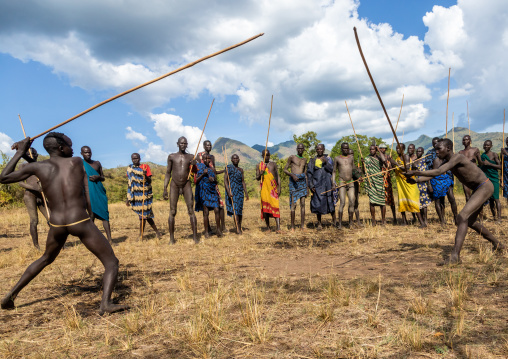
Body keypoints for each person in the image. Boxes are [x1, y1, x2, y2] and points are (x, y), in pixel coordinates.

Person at [0, 134, 127, 314]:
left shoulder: (38, 167)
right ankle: (105, 304)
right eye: (69, 145)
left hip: (57, 224)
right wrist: (24, 152)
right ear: (61, 148)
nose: (73, 149)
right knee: (111, 262)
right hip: (79, 221)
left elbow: (3, 177)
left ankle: (10, 296)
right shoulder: (75, 162)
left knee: (46, 258)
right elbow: (61, 165)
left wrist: (20, 152)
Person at [406, 138, 505, 265]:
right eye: (435, 149)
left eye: (439, 149)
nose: (436, 152)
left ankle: (455, 257)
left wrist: (415, 172)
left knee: (462, 217)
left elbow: (438, 171)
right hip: (479, 188)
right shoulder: (448, 161)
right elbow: (434, 174)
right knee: (471, 222)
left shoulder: (457, 157)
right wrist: (416, 180)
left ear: (448, 148)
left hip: (485, 186)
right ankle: (498, 244)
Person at [163, 137, 198, 244]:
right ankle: (171, 239)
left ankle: (195, 237)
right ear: (177, 144)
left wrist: (194, 165)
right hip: (174, 185)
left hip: (186, 184)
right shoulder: (172, 156)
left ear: (187, 145)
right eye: (181, 143)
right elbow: (168, 172)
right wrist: (165, 187)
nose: (183, 145)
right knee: (172, 211)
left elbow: (195, 171)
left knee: (191, 210)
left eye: (185, 143)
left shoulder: (191, 157)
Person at [17, 148, 50, 249]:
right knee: (34, 220)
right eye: (28, 154)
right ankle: (36, 245)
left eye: (34, 153)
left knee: (52, 219)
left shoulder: (42, 165)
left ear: (37, 154)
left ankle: (58, 243)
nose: (32, 155)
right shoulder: (22, 166)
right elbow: (20, 182)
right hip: (30, 196)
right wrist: (34, 188)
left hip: (42, 195)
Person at [387, 144, 426, 227]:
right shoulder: (397, 159)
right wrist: (391, 163)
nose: (398, 150)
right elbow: (395, 171)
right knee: (401, 201)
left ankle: (422, 223)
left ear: (403, 149)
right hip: (400, 183)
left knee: (413, 202)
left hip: (409, 182)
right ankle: (404, 221)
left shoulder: (406, 157)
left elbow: (407, 168)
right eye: (397, 148)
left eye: (399, 149)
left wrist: (396, 164)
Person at [126, 153, 162, 240]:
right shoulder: (130, 168)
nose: (135, 160)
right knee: (146, 215)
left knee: (143, 216)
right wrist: (128, 198)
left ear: (140, 158)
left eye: (136, 158)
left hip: (145, 194)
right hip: (135, 195)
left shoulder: (145, 167)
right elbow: (130, 183)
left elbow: (149, 181)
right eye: (133, 158)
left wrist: (145, 174)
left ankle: (140, 236)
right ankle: (157, 232)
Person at [81, 146, 112, 244]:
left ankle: (110, 240)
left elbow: (103, 177)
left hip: (99, 191)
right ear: (81, 153)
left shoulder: (97, 163)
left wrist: (98, 177)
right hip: (88, 192)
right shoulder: (80, 165)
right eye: (85, 152)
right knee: (91, 215)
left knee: (105, 214)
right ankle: (91, 240)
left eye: (89, 152)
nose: (88, 154)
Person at [426, 137, 458, 224]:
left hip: (446, 179)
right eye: (434, 144)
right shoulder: (429, 154)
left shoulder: (446, 155)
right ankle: (442, 221)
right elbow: (428, 170)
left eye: (438, 144)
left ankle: (456, 218)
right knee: (438, 201)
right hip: (435, 180)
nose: (436, 145)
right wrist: (429, 184)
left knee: (452, 199)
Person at [196, 140, 225, 231]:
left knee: (220, 205)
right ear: (204, 146)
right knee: (205, 208)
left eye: (210, 145)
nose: (209, 146)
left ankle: (221, 227)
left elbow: (214, 170)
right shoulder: (199, 155)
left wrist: (218, 175)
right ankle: (207, 228)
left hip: (213, 184)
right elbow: (197, 169)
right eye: (207, 145)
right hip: (203, 184)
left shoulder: (212, 157)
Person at [307, 144, 337, 229]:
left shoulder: (329, 159)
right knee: (317, 203)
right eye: (318, 149)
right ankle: (319, 224)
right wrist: (311, 185)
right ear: (316, 150)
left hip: (328, 184)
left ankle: (335, 222)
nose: (319, 150)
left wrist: (326, 162)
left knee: (330, 202)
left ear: (324, 149)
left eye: (321, 149)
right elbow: (309, 173)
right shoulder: (312, 160)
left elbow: (332, 170)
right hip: (317, 184)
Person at [283, 144, 308, 231]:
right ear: (297, 149)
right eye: (299, 148)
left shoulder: (304, 159)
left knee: (303, 204)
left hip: (302, 183)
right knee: (293, 204)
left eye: (302, 148)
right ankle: (292, 227)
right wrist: (292, 175)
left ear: (304, 149)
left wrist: (307, 188)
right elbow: (285, 169)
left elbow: (305, 174)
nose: (300, 149)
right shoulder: (292, 157)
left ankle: (302, 226)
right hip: (294, 182)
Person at [256, 149, 281, 232]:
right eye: (265, 155)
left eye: (268, 155)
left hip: (273, 189)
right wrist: (261, 173)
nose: (266, 157)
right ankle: (268, 227)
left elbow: (278, 176)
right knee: (265, 208)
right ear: (262, 156)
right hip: (264, 189)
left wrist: (279, 187)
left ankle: (278, 228)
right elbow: (257, 178)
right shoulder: (259, 165)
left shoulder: (273, 164)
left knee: (275, 205)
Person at [224, 154, 248, 234]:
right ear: (231, 160)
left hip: (240, 192)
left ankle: (239, 226)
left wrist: (246, 193)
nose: (235, 159)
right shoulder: (228, 168)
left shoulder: (241, 170)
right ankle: (237, 228)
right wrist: (228, 192)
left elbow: (243, 182)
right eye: (234, 158)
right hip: (232, 191)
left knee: (240, 210)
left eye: (237, 158)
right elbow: (225, 181)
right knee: (235, 210)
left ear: (239, 159)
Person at [332, 143, 355, 229]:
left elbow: (354, 169)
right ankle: (340, 224)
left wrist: (359, 176)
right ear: (341, 149)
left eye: (347, 148)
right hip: (342, 182)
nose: (346, 150)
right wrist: (333, 183)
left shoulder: (351, 158)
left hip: (351, 181)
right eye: (344, 148)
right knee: (342, 202)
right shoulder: (337, 158)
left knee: (352, 201)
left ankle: (351, 223)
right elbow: (334, 171)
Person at [363, 145, 386, 226]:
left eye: (373, 149)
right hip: (371, 182)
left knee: (382, 202)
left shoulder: (379, 158)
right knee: (372, 202)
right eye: (370, 149)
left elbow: (385, 161)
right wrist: (363, 163)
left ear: (376, 150)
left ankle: (383, 220)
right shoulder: (367, 159)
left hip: (379, 181)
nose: (371, 151)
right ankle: (373, 220)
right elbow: (364, 170)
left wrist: (379, 150)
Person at [480, 140, 501, 221]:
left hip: (494, 178)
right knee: (491, 199)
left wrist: (490, 164)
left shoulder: (494, 154)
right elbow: (481, 165)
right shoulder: (483, 155)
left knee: (496, 199)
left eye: (488, 145)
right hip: (486, 179)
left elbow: (500, 166)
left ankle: (499, 218)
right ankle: (494, 217)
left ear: (491, 146)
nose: (486, 146)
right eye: (485, 145)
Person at [458, 135, 481, 201]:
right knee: (467, 196)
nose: (465, 141)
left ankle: (479, 211)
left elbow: (480, 163)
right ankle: (470, 211)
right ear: (462, 142)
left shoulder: (475, 150)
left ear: (470, 141)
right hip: (465, 176)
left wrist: (478, 157)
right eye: (464, 140)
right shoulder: (460, 152)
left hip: (475, 175)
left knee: (476, 195)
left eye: (467, 139)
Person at [378, 144, 397, 224]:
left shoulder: (388, 157)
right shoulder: (378, 157)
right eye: (381, 148)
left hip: (387, 180)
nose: (382, 149)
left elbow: (391, 168)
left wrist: (390, 163)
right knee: (382, 200)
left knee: (391, 200)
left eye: (384, 148)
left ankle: (395, 218)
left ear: (385, 149)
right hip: (380, 180)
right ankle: (383, 219)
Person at [415, 147, 431, 226]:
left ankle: (425, 219)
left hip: (424, 183)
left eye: (420, 151)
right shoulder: (414, 162)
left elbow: (427, 173)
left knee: (424, 203)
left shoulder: (425, 161)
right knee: (419, 203)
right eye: (417, 151)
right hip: (416, 184)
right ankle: (421, 219)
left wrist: (429, 184)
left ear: (423, 152)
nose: (418, 152)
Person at [349, 148, 363, 226]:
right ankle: (350, 222)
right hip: (350, 186)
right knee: (351, 203)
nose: (351, 156)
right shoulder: (347, 164)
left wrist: (360, 171)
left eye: (352, 154)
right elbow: (353, 173)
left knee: (356, 204)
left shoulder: (354, 164)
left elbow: (359, 175)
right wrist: (357, 174)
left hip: (356, 185)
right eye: (350, 154)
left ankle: (358, 221)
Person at [501, 136, 508, 206]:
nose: (507, 143)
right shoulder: (504, 150)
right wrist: (501, 179)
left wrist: (506, 153)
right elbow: (501, 165)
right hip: (505, 176)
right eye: (506, 141)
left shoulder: (505, 151)